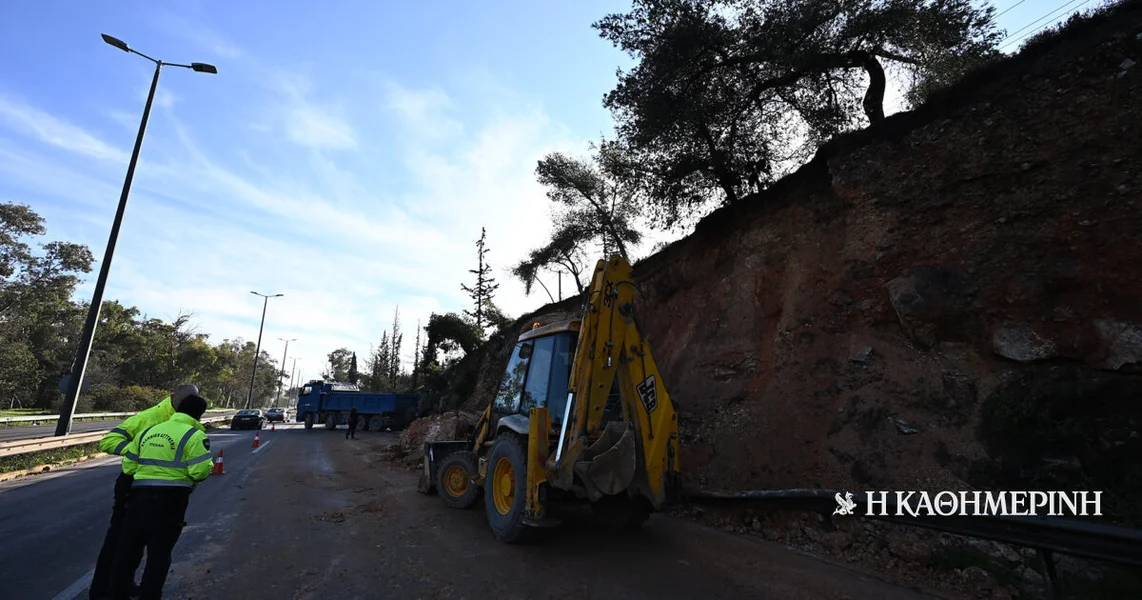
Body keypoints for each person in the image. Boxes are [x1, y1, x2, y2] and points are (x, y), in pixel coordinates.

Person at [89, 384, 199, 600]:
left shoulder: (186, 419)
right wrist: (139, 452)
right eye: (184, 399)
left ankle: (124, 586)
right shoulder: (151, 417)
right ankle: (101, 591)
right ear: (172, 396)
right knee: (119, 541)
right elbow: (109, 441)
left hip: (164, 491)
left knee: (137, 543)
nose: (185, 404)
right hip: (134, 483)